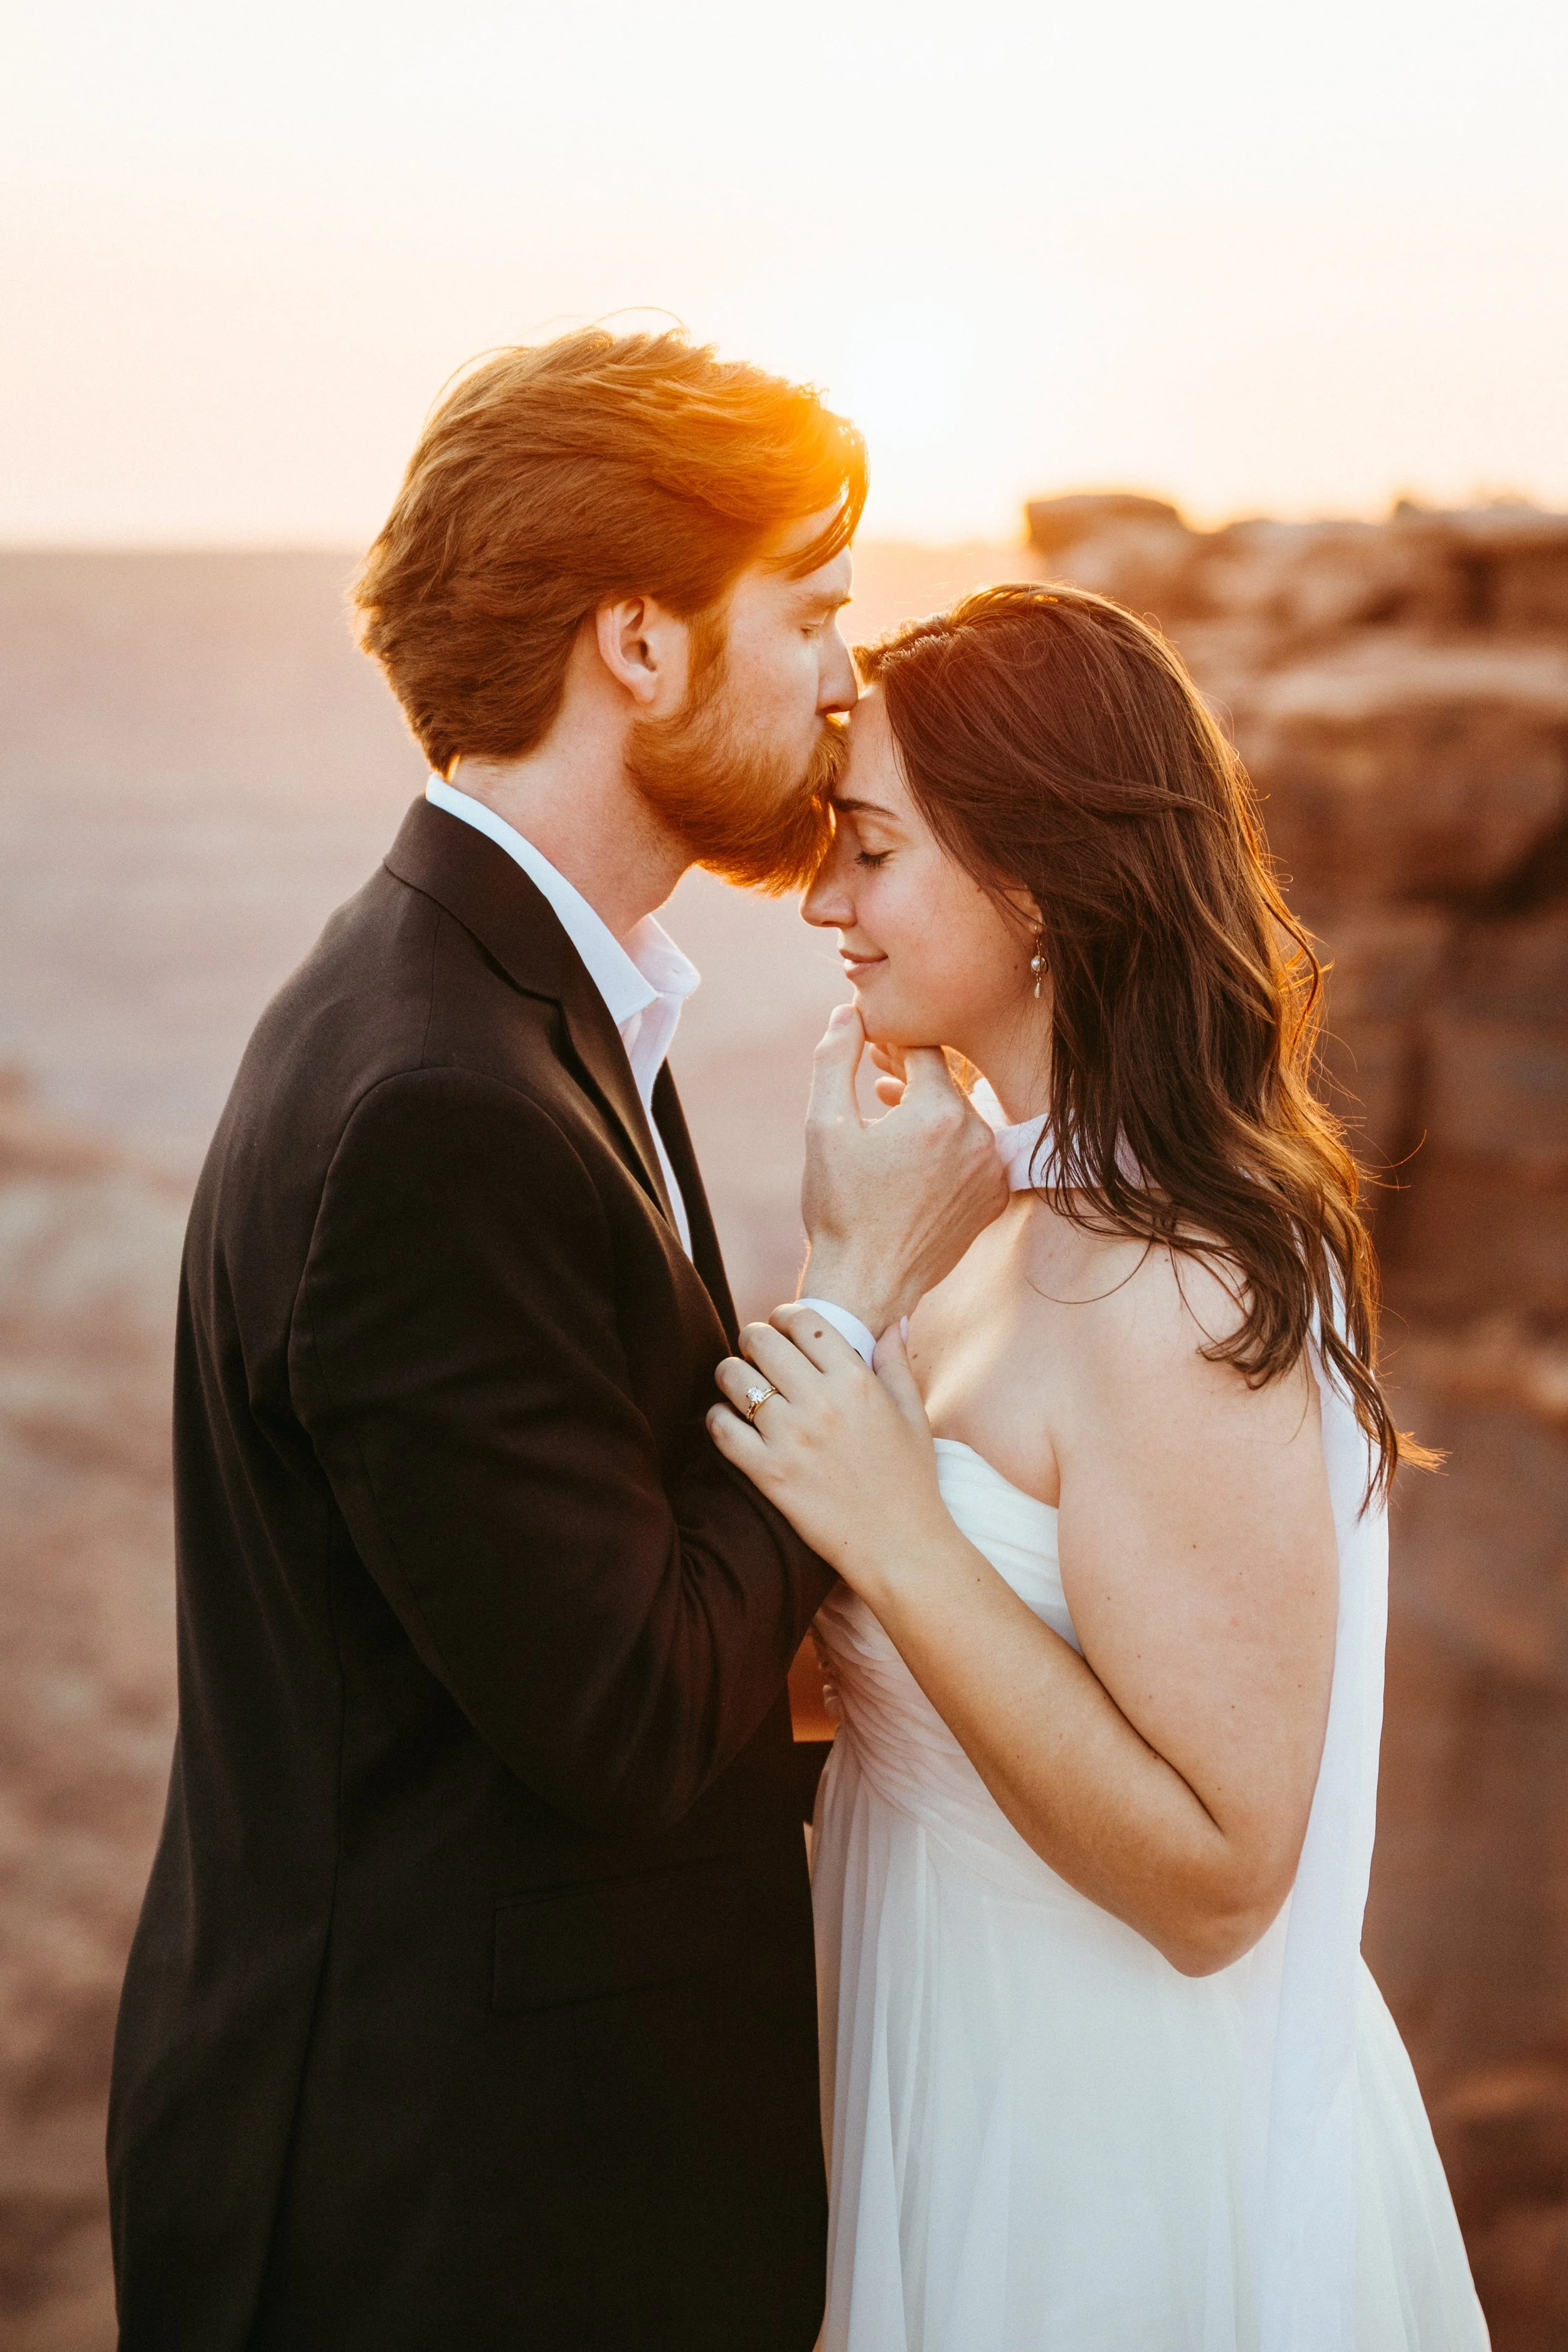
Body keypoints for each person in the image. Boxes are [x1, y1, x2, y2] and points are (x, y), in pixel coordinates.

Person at [106, 328, 1006, 2352]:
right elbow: (624, 1710)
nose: (845, 677)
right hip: (461, 2216)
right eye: (812, 609)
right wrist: (850, 1295)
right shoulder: (439, 1095)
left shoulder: (516, 1006)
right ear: (642, 645)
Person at [709, 584, 1491, 2349]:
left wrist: (900, 1538)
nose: (827, 904)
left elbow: (1222, 1875)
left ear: (1036, 884)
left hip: (1097, 2146)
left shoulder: (1176, 1282)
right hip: (927, 2050)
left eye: (871, 852)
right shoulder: (986, 1221)